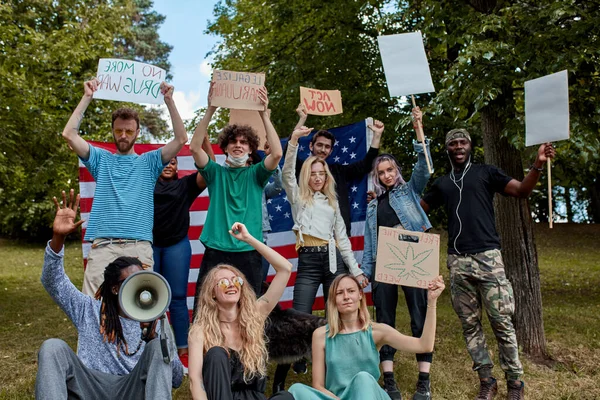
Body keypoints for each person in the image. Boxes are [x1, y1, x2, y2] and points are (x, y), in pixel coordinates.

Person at [420, 129, 556, 400]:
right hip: (457, 261)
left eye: (463, 142)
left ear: (470, 146)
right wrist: (381, 200)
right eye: (453, 143)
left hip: (488, 259)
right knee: (470, 325)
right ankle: (486, 380)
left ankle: (515, 383)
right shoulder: (442, 183)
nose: (458, 147)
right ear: (447, 149)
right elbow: (416, 211)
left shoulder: (486, 172)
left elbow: (522, 190)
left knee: (501, 323)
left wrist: (538, 164)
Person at [36, 190, 183, 400]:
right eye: (131, 282)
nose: (139, 288)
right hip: (90, 389)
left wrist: (157, 341)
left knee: (159, 351)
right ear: (115, 288)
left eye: (142, 281)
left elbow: (176, 379)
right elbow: (53, 281)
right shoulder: (89, 309)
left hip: (132, 391)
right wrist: (58, 238)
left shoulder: (156, 318)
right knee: (52, 347)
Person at [61, 79, 188, 296]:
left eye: (129, 131)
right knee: (92, 309)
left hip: (139, 247)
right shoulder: (101, 159)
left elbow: (181, 139)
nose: (123, 135)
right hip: (104, 247)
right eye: (119, 130)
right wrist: (87, 97)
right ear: (112, 130)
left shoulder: (150, 162)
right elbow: (69, 135)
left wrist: (169, 101)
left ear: (137, 132)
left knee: (141, 312)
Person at [274, 125, 369, 390]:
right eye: (313, 173)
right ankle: (279, 382)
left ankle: (338, 375)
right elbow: (286, 173)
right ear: (307, 175)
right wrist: (293, 140)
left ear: (327, 177)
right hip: (308, 261)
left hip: (333, 261)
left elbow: (343, 240)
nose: (317, 177)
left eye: (321, 174)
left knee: (336, 317)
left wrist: (356, 271)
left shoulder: (332, 203)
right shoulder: (298, 197)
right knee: (297, 319)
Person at [360, 111, 434, 400]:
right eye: (381, 172)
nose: (387, 175)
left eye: (390, 170)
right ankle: (388, 380)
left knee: (420, 315)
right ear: (376, 176)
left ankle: (423, 381)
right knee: (385, 320)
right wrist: (366, 271)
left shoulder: (410, 191)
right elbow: (369, 243)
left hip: (414, 260)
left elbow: (425, 168)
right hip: (384, 265)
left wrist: (418, 129)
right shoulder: (372, 206)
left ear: (397, 171)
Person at [190, 85, 282, 308]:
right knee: (205, 308)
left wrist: (263, 112)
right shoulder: (215, 173)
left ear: (251, 149)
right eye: (234, 141)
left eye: (244, 142)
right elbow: (194, 147)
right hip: (216, 250)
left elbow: (277, 153)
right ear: (226, 147)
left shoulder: (256, 174)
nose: (238, 145)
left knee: (248, 310)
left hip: (249, 252)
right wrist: (210, 109)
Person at [288, 273, 445, 400]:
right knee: (296, 389)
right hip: (335, 398)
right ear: (333, 300)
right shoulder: (321, 335)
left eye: (351, 291)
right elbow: (318, 386)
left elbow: (424, 346)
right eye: (339, 293)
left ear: (360, 295)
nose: (346, 297)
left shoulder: (377, 331)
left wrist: (432, 302)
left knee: (362, 379)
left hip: (369, 395)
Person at [187, 222, 294, 400]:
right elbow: (195, 381)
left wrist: (248, 239)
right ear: (212, 294)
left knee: (285, 397)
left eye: (236, 280)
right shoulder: (200, 331)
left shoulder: (255, 315)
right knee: (216, 353)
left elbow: (285, 269)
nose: (231, 285)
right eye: (223, 282)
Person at [152, 137, 215, 367]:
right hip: (150, 245)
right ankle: (151, 346)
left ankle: (182, 349)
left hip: (176, 246)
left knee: (177, 298)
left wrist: (205, 140)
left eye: (174, 161)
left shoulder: (185, 185)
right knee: (150, 298)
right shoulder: (146, 183)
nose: (169, 164)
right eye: (166, 160)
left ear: (178, 166)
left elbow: (210, 169)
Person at [292, 104, 383, 236]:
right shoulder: (301, 168)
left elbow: (366, 165)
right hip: (311, 233)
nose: (323, 150)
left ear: (331, 150)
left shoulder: (338, 171)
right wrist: (301, 120)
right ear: (311, 146)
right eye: (319, 145)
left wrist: (377, 136)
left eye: (327, 147)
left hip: (339, 234)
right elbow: (290, 153)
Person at [260, 140, 284, 282]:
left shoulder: (260, 184)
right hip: (237, 241)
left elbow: (277, 187)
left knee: (259, 286)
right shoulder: (233, 181)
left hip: (260, 239)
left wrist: (271, 159)